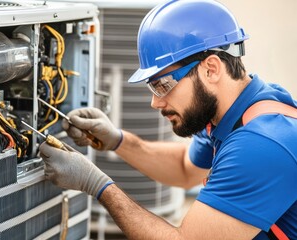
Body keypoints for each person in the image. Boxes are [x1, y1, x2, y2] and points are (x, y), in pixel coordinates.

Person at [39, 0, 297, 239]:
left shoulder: (261, 144)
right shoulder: (233, 111)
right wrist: (117, 140)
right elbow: (185, 170)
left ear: (211, 69)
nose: (155, 102)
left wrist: (95, 184)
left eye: (163, 84)